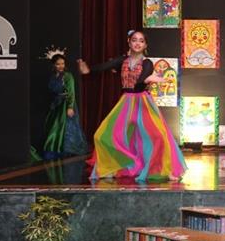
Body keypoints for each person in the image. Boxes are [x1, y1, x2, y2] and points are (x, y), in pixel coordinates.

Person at [77, 30, 186, 182]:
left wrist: (147, 80)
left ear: (145, 45)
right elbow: (105, 66)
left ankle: (167, 169)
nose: (137, 43)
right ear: (129, 42)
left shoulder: (147, 63)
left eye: (141, 41)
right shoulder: (122, 60)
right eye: (134, 40)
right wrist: (89, 70)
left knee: (159, 136)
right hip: (126, 102)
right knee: (102, 135)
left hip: (143, 102)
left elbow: (139, 82)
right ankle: (114, 166)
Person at [42, 53, 89, 160]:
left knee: (64, 127)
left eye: (62, 63)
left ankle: (66, 150)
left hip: (66, 104)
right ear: (54, 65)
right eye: (58, 64)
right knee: (54, 127)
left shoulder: (68, 76)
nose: (61, 66)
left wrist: (70, 107)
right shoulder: (53, 77)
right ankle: (55, 148)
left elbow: (71, 92)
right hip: (56, 105)